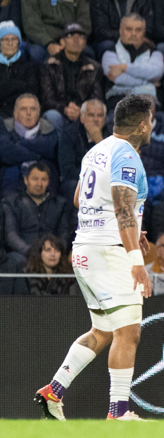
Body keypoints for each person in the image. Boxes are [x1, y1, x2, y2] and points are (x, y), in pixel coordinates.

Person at [34, 94, 154, 421]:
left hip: (85, 249)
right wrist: (136, 261)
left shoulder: (95, 151)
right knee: (128, 332)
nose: (152, 127)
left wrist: (130, 228)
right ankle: (119, 413)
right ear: (143, 124)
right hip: (109, 253)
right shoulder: (126, 155)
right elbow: (122, 207)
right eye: (151, 121)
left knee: (102, 331)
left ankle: (53, 392)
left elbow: (78, 199)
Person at [2, 160, 72, 269]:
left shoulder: (59, 203)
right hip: (23, 253)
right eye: (35, 179)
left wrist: (54, 251)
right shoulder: (12, 202)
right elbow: (11, 235)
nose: (39, 184)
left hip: (53, 253)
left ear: (48, 182)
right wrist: (32, 252)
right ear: (26, 180)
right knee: (15, 260)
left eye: (43, 179)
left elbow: (64, 234)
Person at [101, 14, 163, 108]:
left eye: (138, 30)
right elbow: (118, 78)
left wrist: (125, 68)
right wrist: (148, 82)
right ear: (120, 31)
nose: (133, 34)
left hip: (147, 103)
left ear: (144, 33)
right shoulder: (109, 53)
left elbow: (156, 72)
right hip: (118, 102)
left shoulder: (155, 53)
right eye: (129, 29)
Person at [57, 98, 108, 190]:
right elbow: (68, 171)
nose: (96, 120)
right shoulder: (69, 134)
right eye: (91, 115)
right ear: (82, 118)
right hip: (80, 180)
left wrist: (99, 141)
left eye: (100, 115)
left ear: (104, 119)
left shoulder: (113, 135)